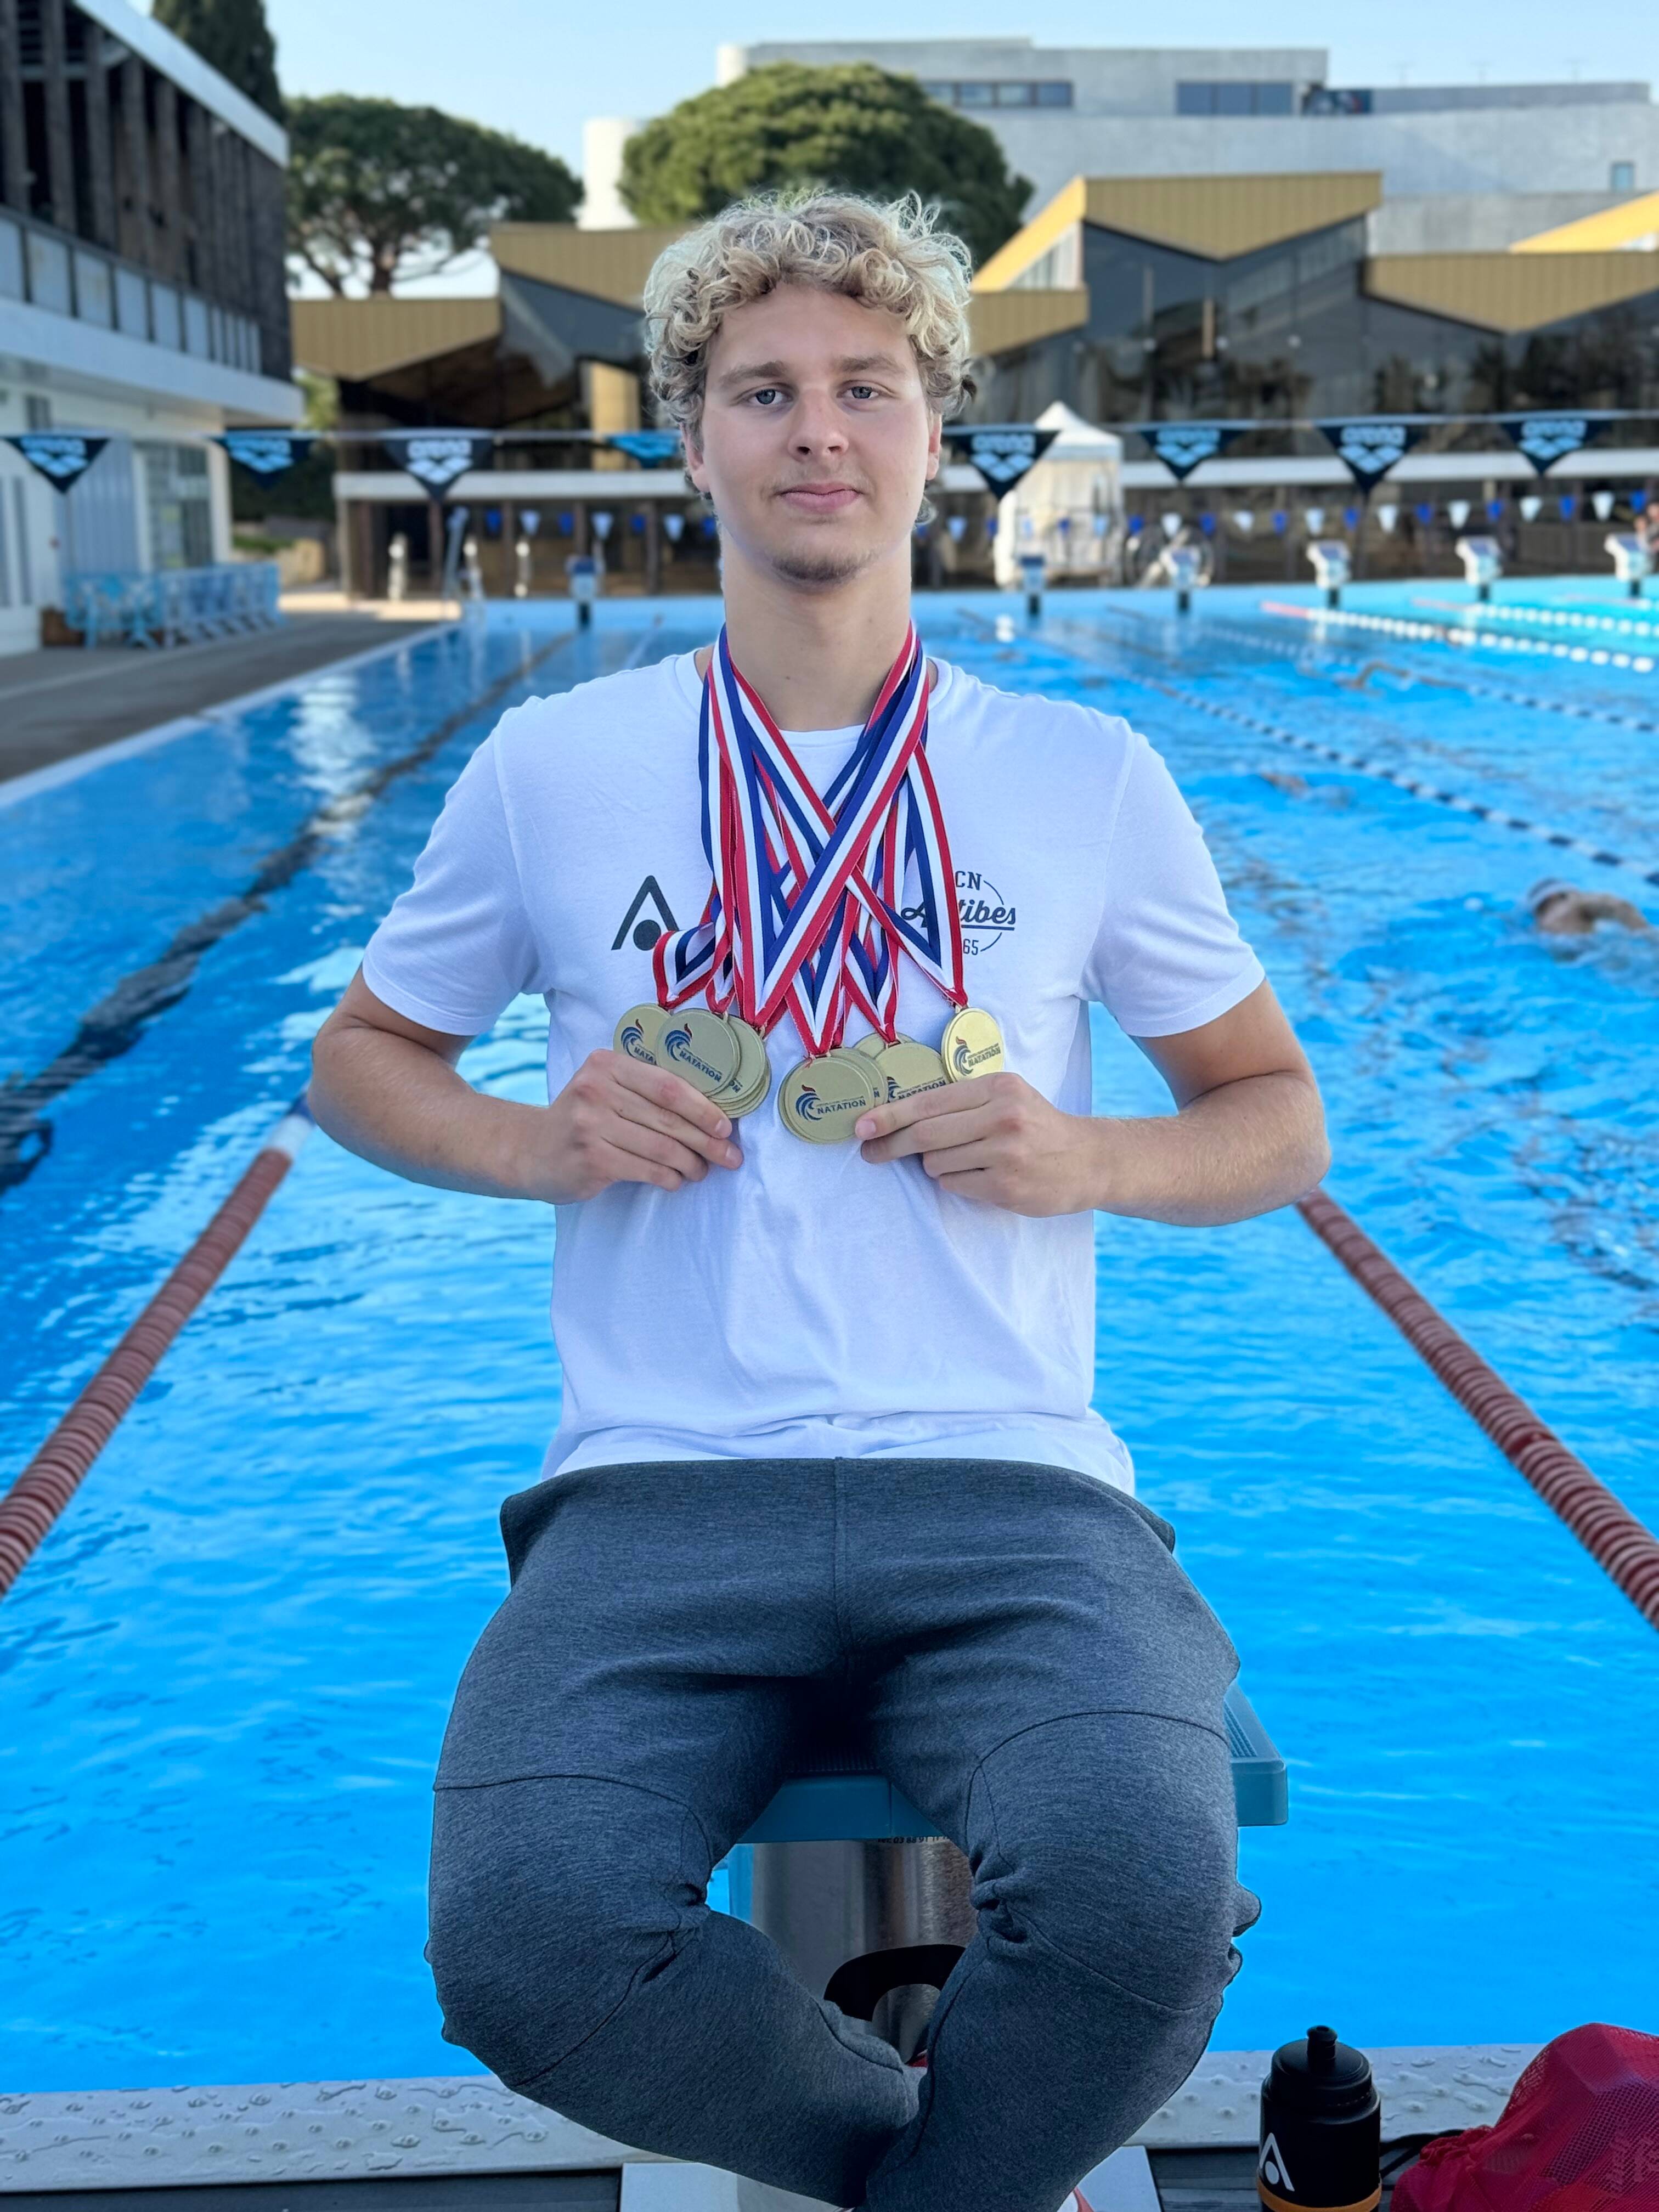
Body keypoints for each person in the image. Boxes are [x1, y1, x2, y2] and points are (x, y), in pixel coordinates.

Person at [307, 191, 1330, 2212]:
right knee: (516, 1940)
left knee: (1147, 1893)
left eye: (863, 387)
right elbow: (358, 1060)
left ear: (931, 430)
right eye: (759, 389)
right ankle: (923, 2162)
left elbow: (1272, 1114)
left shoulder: (1079, 772)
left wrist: (1086, 1156)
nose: (814, 433)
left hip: (1015, 1487)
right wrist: (540, 1135)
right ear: (687, 435)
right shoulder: (553, 763)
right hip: (653, 1496)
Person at [1526, 877, 1652, 936]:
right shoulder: (1572, 903)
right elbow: (1618, 906)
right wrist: (1648, 934)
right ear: (1553, 895)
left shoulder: (1541, 928)